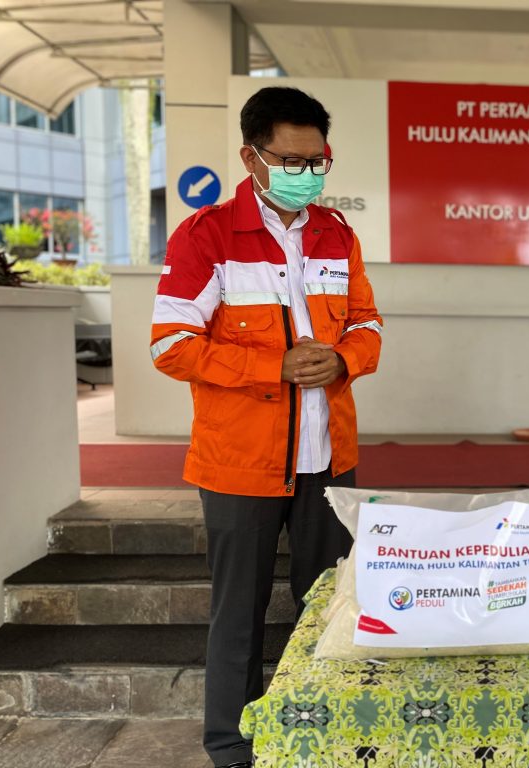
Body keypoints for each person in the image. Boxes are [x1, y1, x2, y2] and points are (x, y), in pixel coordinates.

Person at [150, 86, 382, 768]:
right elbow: (171, 346)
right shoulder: (207, 237)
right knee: (238, 617)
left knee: (330, 610)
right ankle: (232, 747)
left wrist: (343, 358)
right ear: (251, 157)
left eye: (318, 161)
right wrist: (270, 366)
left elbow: (367, 325)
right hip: (239, 464)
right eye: (291, 160)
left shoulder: (336, 234)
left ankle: (319, 737)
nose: (306, 173)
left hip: (329, 460)